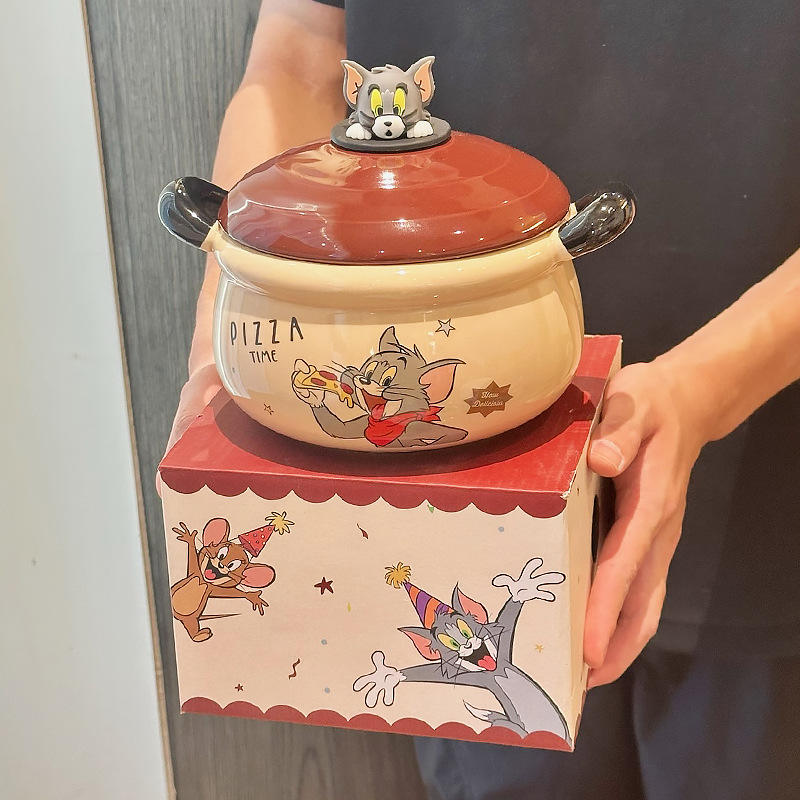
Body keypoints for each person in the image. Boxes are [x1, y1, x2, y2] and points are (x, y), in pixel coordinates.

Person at [166, 1, 800, 797]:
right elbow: (298, 56)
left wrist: (706, 387)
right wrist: (230, 335)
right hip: (445, 523)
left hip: (763, 472)